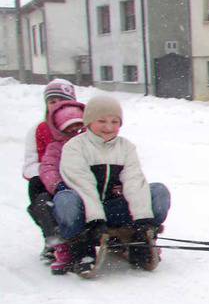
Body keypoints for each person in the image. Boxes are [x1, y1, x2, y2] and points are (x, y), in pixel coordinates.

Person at [54, 95, 171, 271]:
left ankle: (140, 241)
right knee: (65, 200)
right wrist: (95, 221)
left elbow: (134, 182)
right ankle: (81, 247)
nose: (108, 127)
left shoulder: (126, 148)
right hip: (86, 213)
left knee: (158, 191)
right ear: (88, 121)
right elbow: (83, 185)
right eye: (101, 121)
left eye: (114, 121)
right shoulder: (75, 147)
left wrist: (142, 220)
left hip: (115, 209)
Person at [23, 78, 78, 261]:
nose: (56, 105)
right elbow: (30, 164)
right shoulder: (38, 130)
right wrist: (52, 176)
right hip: (50, 178)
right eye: (52, 102)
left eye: (61, 101)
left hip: (79, 175)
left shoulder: (80, 127)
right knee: (38, 191)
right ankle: (54, 238)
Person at [37, 99, 87, 274]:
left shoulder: (90, 145)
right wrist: (57, 185)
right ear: (59, 130)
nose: (75, 132)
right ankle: (65, 245)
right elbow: (48, 168)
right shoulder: (56, 148)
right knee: (50, 204)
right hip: (66, 191)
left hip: (91, 191)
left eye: (79, 127)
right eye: (69, 129)